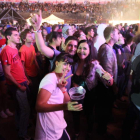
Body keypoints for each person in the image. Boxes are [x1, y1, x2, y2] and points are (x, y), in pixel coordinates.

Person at [35, 53, 82, 140]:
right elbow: (39, 106)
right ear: (56, 63)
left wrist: (62, 88)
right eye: (65, 64)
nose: (68, 68)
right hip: (48, 133)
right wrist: (64, 106)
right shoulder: (50, 79)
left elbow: (68, 102)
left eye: (70, 65)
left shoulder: (59, 79)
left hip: (58, 127)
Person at [72, 40, 113, 139]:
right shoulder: (74, 62)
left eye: (85, 48)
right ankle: (76, 132)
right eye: (80, 47)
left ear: (90, 50)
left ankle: (89, 132)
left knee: (89, 113)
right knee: (75, 113)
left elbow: (109, 82)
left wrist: (109, 78)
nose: (81, 51)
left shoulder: (94, 64)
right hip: (76, 94)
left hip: (89, 94)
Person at [0, 27, 31, 140]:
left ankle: (20, 126)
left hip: (21, 81)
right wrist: (19, 86)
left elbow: (17, 66)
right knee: (25, 109)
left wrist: (25, 78)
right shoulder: (6, 51)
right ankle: (23, 134)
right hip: (17, 84)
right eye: (16, 35)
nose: (19, 37)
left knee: (19, 108)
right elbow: (7, 73)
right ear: (8, 37)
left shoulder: (14, 48)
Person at [97, 25, 119, 135]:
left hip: (106, 86)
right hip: (106, 87)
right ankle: (102, 132)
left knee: (104, 111)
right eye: (117, 32)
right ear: (111, 35)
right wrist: (114, 86)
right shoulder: (106, 49)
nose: (119, 35)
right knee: (104, 111)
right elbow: (107, 73)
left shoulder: (107, 48)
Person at [19, 29, 40, 112]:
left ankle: (34, 109)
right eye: (29, 36)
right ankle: (30, 112)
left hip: (35, 73)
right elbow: (22, 66)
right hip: (29, 74)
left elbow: (34, 58)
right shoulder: (22, 50)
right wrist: (27, 78)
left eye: (31, 36)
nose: (32, 37)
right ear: (24, 39)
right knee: (31, 95)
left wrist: (38, 69)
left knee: (36, 92)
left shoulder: (31, 46)